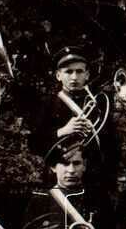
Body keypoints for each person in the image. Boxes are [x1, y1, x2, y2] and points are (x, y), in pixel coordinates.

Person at [28, 45, 120, 194]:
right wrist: (62, 131)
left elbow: (112, 146)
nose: (74, 77)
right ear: (58, 75)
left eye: (79, 71)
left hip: (96, 181)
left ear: (87, 74)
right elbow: (34, 144)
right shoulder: (48, 104)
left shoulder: (99, 104)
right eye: (68, 72)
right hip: (59, 179)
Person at [23, 133, 112, 229]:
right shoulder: (39, 201)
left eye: (76, 163)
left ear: (85, 166)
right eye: (65, 163)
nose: (71, 170)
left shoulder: (99, 199)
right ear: (53, 167)